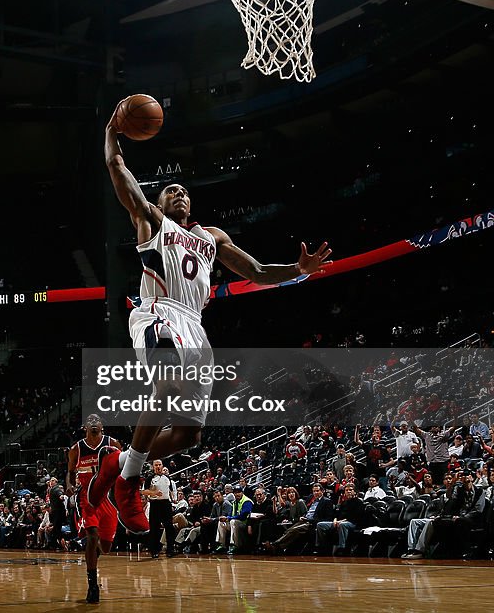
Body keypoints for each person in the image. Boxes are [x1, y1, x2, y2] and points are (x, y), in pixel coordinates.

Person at [89, 115, 332, 532]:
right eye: (171, 190)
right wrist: (112, 132)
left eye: (183, 191)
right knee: (165, 385)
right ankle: (128, 483)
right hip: (159, 311)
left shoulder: (212, 237)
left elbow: (256, 271)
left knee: (188, 436)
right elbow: (118, 170)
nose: (179, 193)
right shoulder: (151, 220)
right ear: (160, 202)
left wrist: (298, 268)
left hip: (195, 327)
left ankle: (119, 462)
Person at [65, 414, 121, 604]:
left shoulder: (113, 443)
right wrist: (70, 485)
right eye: (90, 421)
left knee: (105, 547)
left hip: (108, 498)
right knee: (92, 535)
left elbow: (123, 467)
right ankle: (93, 586)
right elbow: (70, 473)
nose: (94, 423)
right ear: (85, 427)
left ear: (102, 427)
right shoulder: (76, 449)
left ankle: (93, 555)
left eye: (97, 421)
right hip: (87, 498)